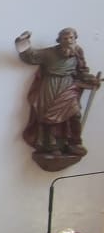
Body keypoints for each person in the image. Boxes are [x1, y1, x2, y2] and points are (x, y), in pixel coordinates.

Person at [16, 28, 99, 156]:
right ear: (59, 40)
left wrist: (90, 79)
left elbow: (82, 71)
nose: (69, 41)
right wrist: (23, 41)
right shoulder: (50, 52)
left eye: (71, 38)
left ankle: (75, 143)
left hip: (69, 86)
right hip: (50, 84)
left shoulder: (77, 51)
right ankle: (51, 144)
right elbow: (31, 56)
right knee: (49, 115)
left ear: (75, 39)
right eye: (65, 38)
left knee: (75, 114)